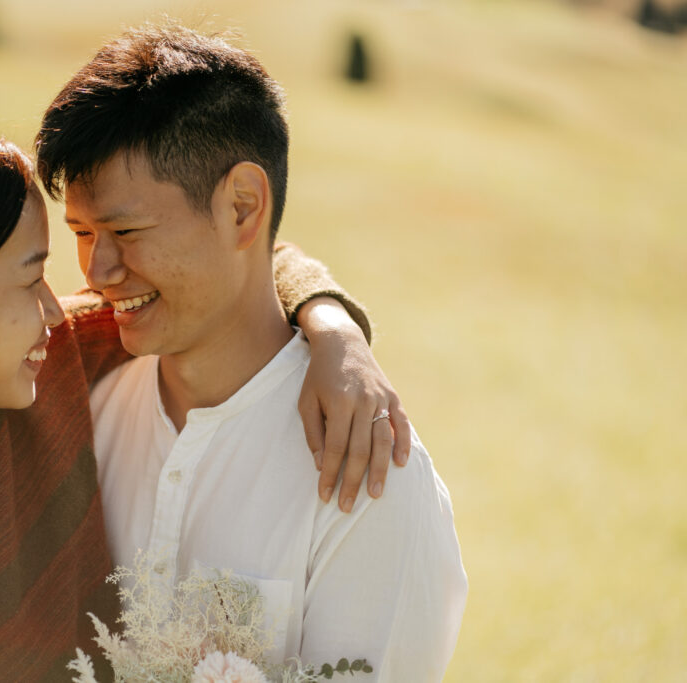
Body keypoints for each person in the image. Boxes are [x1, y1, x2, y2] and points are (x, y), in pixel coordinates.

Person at [0, 120, 402, 680]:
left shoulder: (51, 361)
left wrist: (335, 332)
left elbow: (230, 273)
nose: (58, 308)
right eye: (31, 281)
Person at [35, 23, 468, 680]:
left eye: (125, 230)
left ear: (242, 207)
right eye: (82, 232)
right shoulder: (79, 397)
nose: (98, 269)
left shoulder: (371, 475)